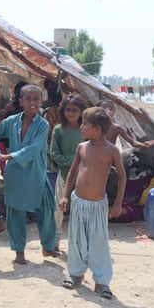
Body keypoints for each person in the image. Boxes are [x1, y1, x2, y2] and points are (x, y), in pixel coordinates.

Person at [0, 84, 60, 264]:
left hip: (36, 173)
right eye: (29, 99)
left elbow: (33, 149)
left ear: (41, 101)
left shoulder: (43, 125)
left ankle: (47, 246)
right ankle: (19, 252)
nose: (33, 102)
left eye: (36, 99)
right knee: (16, 213)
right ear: (21, 101)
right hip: (15, 174)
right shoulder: (11, 121)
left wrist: (6, 156)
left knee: (47, 209)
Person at [59, 106, 125, 300]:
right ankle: (76, 274)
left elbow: (122, 177)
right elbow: (72, 173)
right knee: (77, 239)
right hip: (78, 202)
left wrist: (118, 203)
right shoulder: (82, 148)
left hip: (98, 205)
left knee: (98, 242)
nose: (81, 126)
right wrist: (64, 196)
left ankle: (102, 281)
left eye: (85, 124)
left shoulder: (112, 151)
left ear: (97, 128)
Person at [49, 94, 87, 250]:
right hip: (64, 175)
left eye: (75, 110)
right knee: (58, 210)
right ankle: (55, 242)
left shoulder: (86, 130)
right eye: (68, 110)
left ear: (81, 112)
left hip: (84, 177)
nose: (71, 113)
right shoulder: (58, 130)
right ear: (63, 111)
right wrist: (75, 160)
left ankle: (79, 244)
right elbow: (54, 154)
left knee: (81, 211)